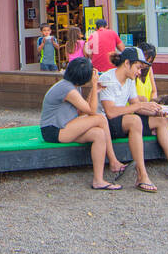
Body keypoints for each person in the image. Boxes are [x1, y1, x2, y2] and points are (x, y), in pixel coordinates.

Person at [99, 47, 168, 189]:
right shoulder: (108, 78)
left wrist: (157, 111)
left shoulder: (130, 80)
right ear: (126, 64)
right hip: (106, 124)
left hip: (122, 120)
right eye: (138, 67)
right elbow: (111, 112)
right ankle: (142, 175)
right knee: (135, 120)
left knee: (161, 120)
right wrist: (139, 107)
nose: (139, 72)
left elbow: (136, 104)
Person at [39, 56, 128, 190]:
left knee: (98, 134)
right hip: (53, 131)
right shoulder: (66, 89)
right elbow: (92, 111)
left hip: (66, 127)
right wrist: (93, 84)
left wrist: (94, 90)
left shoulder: (72, 86)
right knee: (100, 118)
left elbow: (82, 112)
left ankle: (98, 180)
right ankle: (114, 161)